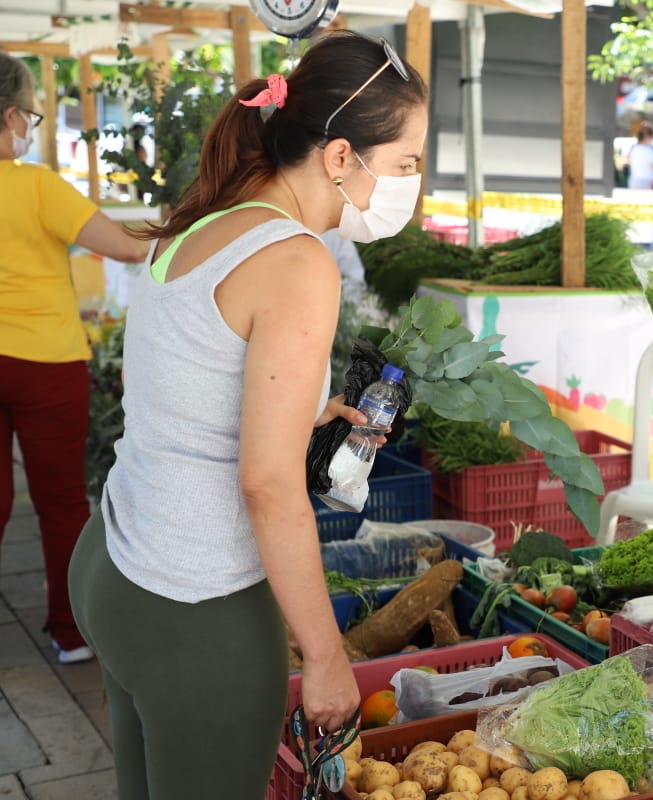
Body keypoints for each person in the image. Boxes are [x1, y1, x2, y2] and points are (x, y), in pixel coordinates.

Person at [66, 31, 427, 797]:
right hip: (195, 604)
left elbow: (187, 388)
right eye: (406, 163)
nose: (412, 182)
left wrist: (302, 413)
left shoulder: (203, 219)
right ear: (340, 158)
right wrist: (326, 656)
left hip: (115, 560)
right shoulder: (299, 261)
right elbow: (266, 485)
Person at [0, 53, 149, 665]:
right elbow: (126, 248)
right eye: (31, 115)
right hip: (47, 365)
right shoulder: (37, 185)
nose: (30, 129)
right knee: (61, 500)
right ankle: (68, 631)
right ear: (11, 115)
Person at [626, 121, 653, 192]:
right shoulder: (650, 150)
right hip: (647, 181)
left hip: (634, 179)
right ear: (648, 136)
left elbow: (629, 162)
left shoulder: (633, 148)